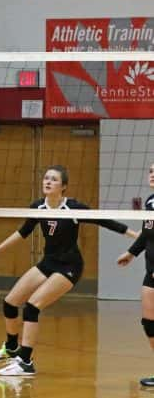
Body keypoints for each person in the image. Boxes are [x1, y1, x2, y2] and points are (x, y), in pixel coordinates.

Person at [0, 165, 138, 376]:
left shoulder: (72, 208)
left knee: (32, 307)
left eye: (53, 179)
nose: (47, 182)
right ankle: (11, 348)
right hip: (48, 262)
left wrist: (136, 236)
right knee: (10, 302)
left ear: (63, 186)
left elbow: (104, 220)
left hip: (70, 266)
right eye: (46, 178)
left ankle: (26, 362)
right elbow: (22, 232)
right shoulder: (38, 207)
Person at [116, 162, 154, 386]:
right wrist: (131, 253)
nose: (152, 174)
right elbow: (146, 233)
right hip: (151, 271)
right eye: (150, 170)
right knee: (149, 323)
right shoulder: (150, 201)